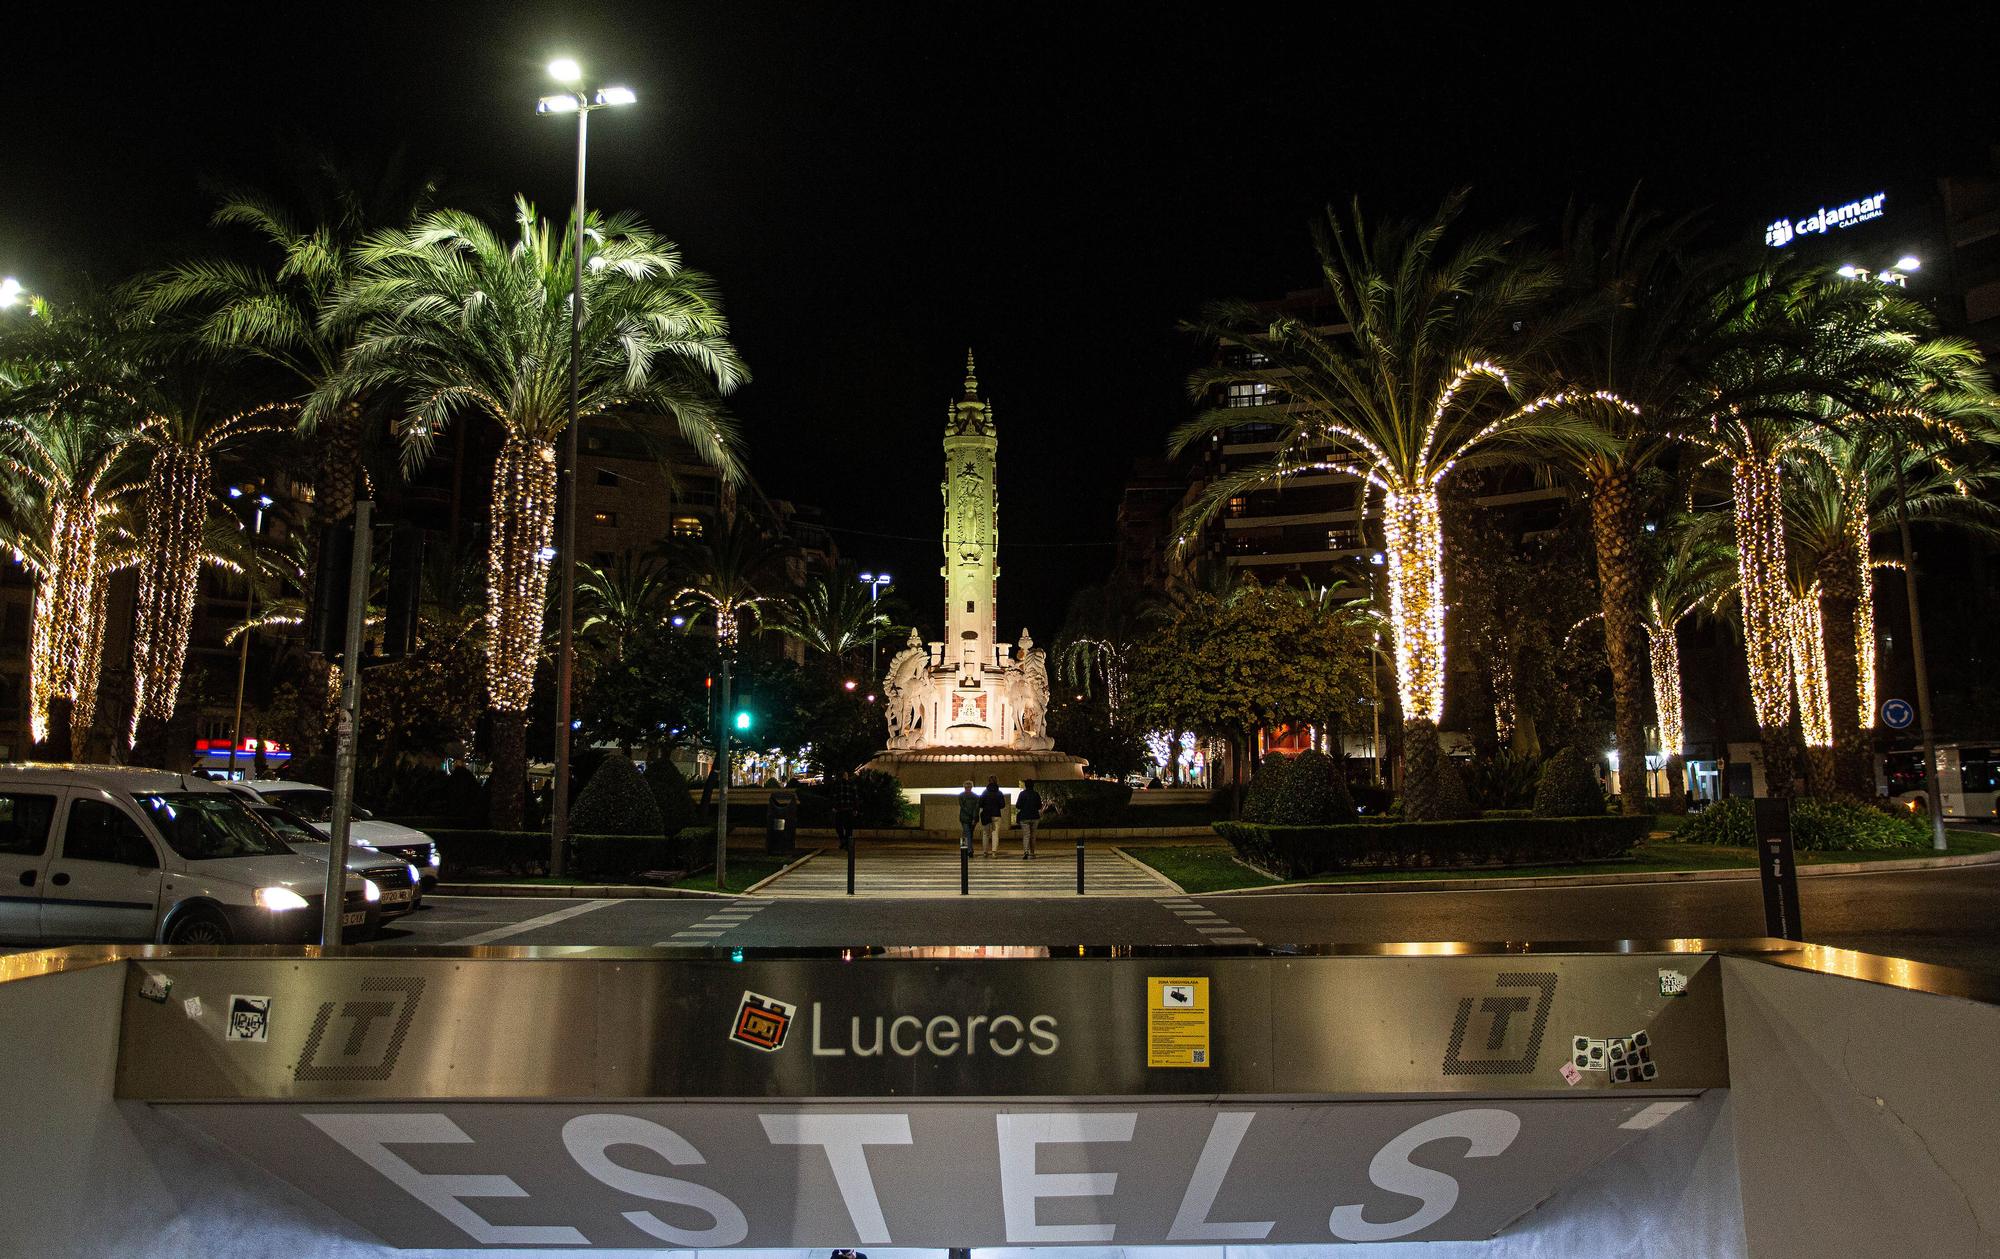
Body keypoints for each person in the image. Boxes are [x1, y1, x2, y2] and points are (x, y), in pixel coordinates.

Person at [830, 769, 860, 851]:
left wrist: (834, 807)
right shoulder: (851, 784)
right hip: (849, 809)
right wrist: (855, 808)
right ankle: (847, 843)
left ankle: (843, 840)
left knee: (839, 826)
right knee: (849, 828)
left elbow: (834, 797)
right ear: (845, 776)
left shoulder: (836, 785)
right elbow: (855, 797)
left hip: (840, 809)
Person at [1015, 777, 1042, 859]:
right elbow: (1039, 806)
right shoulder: (1036, 794)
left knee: (1026, 835)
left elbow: (1018, 805)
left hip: (1024, 817)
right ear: (1033, 786)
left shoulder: (1022, 794)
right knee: (1033, 835)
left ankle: (1026, 851)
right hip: (1034, 816)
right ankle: (1032, 852)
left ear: (1025, 785)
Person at [978, 775, 1006, 857]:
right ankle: (994, 852)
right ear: (996, 782)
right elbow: (1002, 805)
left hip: (986, 815)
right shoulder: (999, 793)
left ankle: (985, 852)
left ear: (989, 782)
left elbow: (980, 804)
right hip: (996, 815)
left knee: (985, 833)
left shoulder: (984, 792)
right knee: (995, 833)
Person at [957, 780, 980, 851]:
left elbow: (962, 807)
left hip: (964, 818)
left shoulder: (961, 796)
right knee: (970, 833)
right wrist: (974, 817)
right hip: (973, 818)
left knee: (966, 833)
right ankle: (969, 848)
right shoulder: (976, 797)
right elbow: (976, 808)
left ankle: (967, 849)